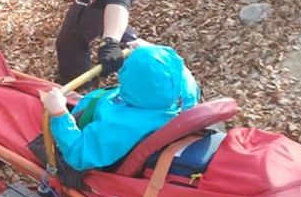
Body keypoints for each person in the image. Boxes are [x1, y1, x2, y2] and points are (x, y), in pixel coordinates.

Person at [40, 44, 199, 172]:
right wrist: (146, 52)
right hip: (102, 106)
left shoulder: (123, 125)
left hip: (86, 137)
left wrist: (59, 114)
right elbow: (176, 69)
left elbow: (80, 155)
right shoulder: (185, 93)